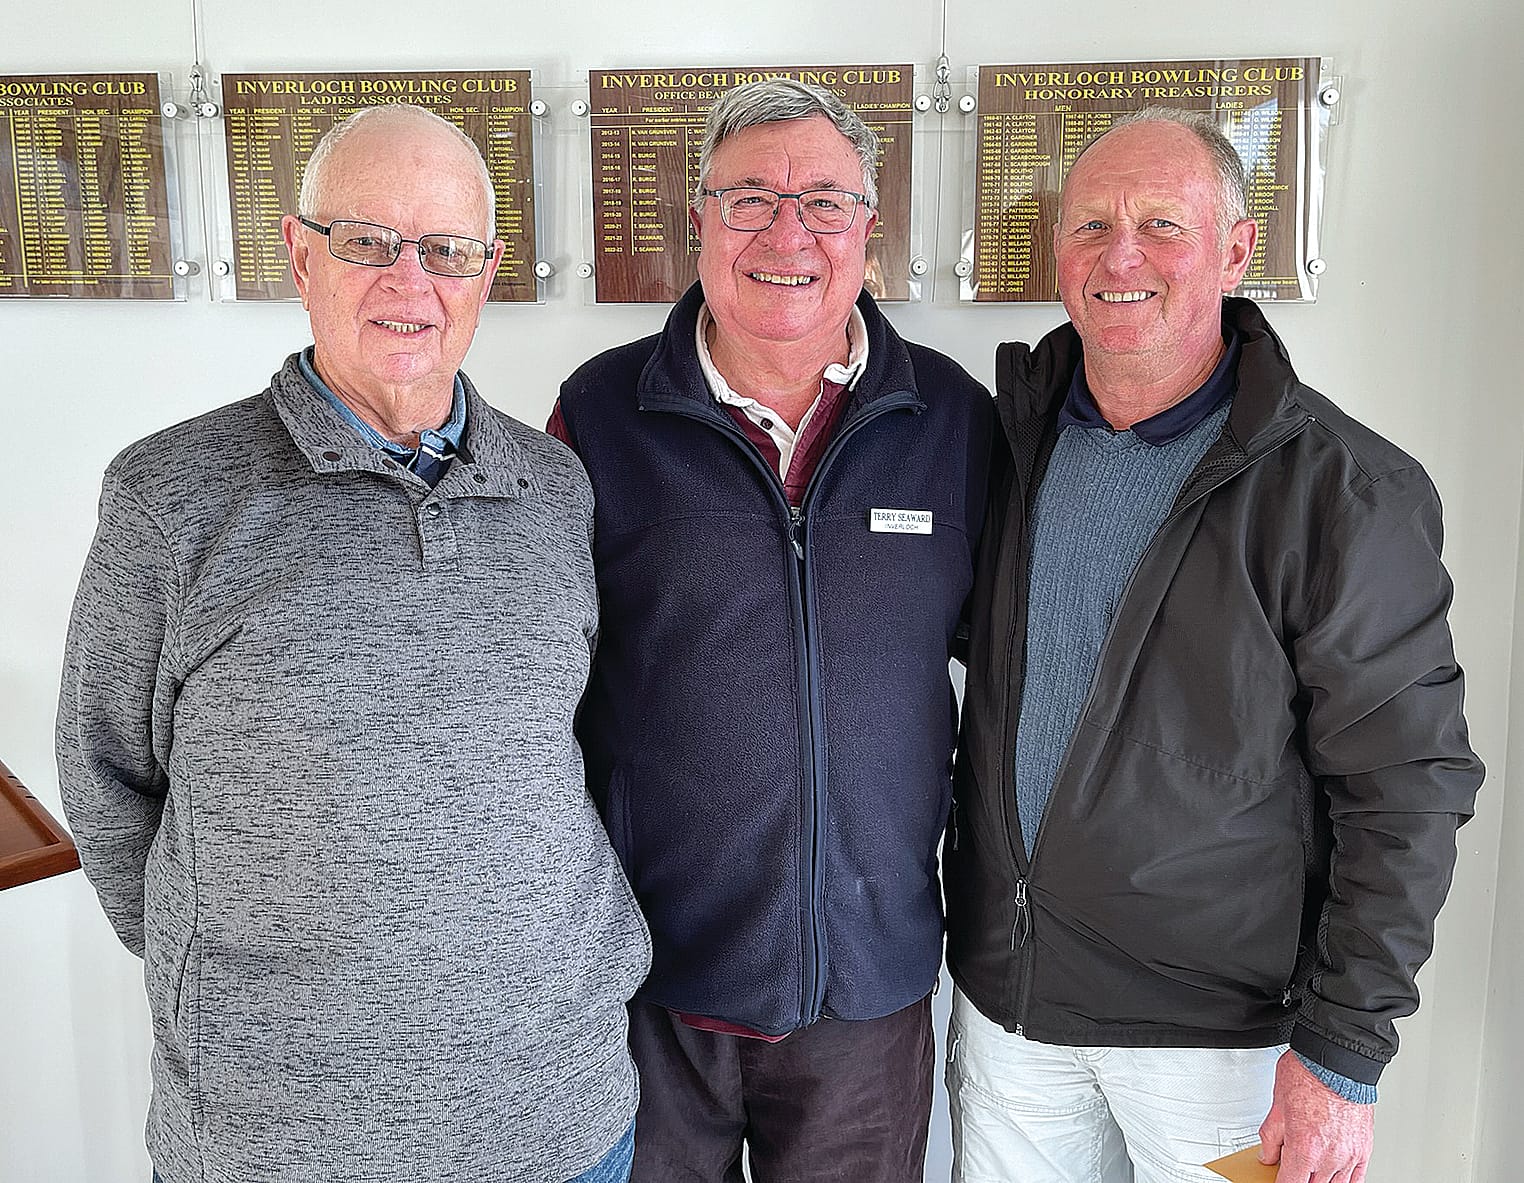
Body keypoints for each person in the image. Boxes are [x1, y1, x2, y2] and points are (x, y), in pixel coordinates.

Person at [56, 103, 649, 1183]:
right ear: (300, 252)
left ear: (488, 271)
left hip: (560, 1120)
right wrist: (246, 987)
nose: (406, 279)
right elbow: (106, 780)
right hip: (277, 1143)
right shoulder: (168, 495)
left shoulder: (554, 487)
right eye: (367, 240)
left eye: (445, 250)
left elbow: (568, 753)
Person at [944, 107, 1483, 1183]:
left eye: (1160, 223)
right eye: (1090, 225)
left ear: (1237, 249)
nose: (1120, 255)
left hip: (1221, 1049)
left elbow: (1407, 783)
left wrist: (1343, 1053)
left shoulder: (1346, 491)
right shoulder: (1005, 444)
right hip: (1012, 1014)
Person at [547, 78, 992, 1182]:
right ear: (698, 221)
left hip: (868, 994)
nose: (787, 232)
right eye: (749, 199)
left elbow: (1017, 674)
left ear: (867, 231)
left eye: (825, 203)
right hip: (650, 991)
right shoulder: (599, 417)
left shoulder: (952, 420)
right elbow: (534, 694)